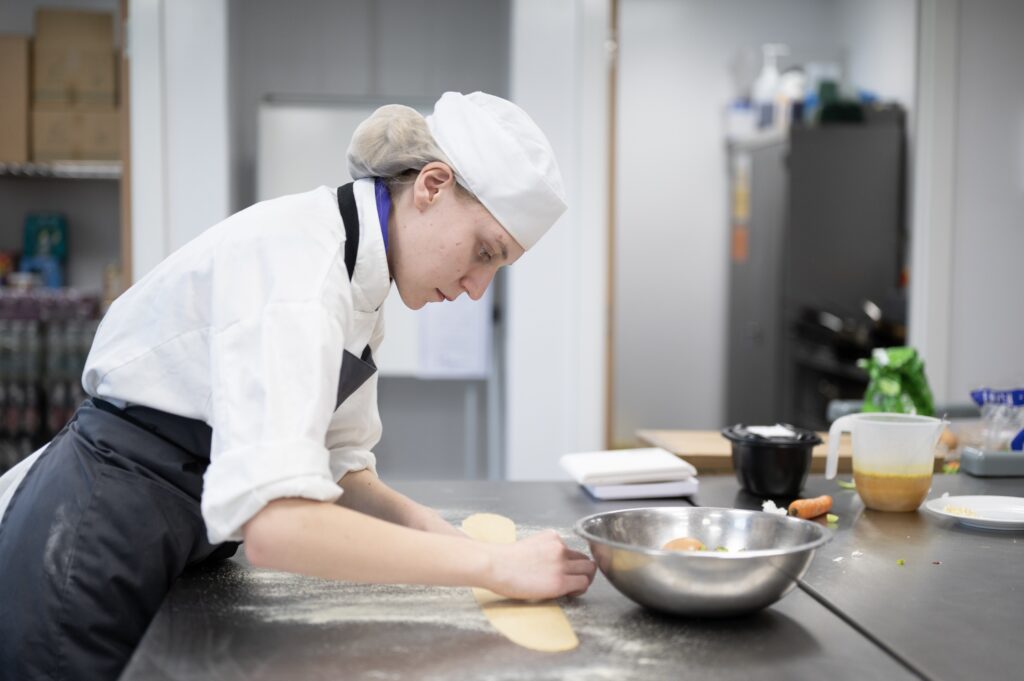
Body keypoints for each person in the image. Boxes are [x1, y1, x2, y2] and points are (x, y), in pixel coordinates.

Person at [0, 91, 596, 680]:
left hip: (171, 532)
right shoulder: (300, 273)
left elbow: (343, 470)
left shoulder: (358, 279)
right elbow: (279, 527)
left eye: (497, 267)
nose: (476, 289)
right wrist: (490, 566)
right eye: (483, 252)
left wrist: (453, 540)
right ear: (432, 186)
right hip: (93, 540)